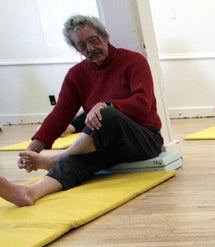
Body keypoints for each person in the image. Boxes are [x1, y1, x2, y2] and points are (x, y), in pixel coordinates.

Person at [0, 14, 164, 207]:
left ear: (105, 36)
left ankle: (58, 158)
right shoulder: (76, 74)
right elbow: (59, 115)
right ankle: (29, 192)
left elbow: (143, 103)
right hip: (109, 145)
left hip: (144, 139)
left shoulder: (134, 61)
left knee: (105, 114)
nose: (90, 49)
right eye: (82, 46)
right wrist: (29, 152)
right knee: (79, 160)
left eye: (93, 41)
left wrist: (107, 104)